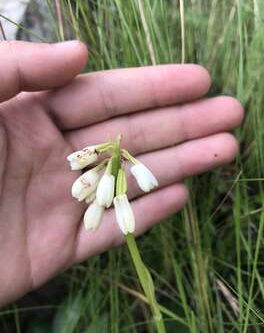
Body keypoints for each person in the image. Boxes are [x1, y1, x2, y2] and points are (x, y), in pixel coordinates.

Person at [0, 40, 243, 306]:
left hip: (109, 184)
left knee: (114, 203)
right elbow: (83, 179)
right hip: (103, 183)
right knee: (108, 203)